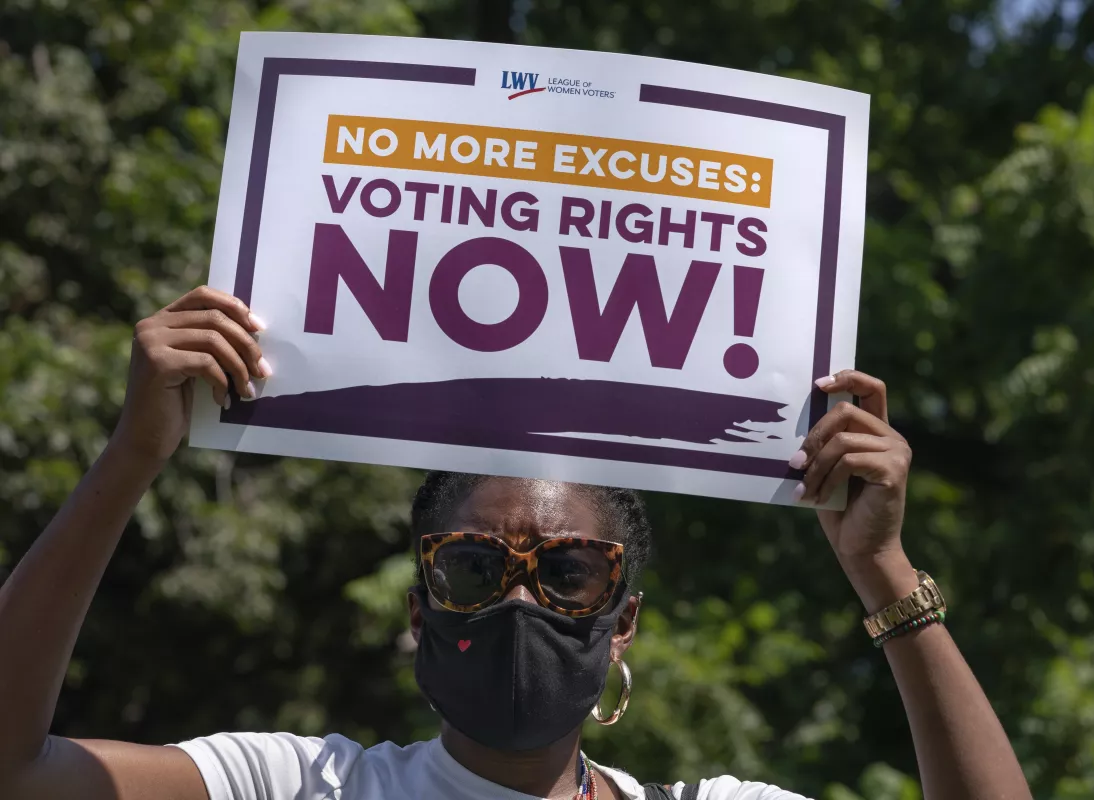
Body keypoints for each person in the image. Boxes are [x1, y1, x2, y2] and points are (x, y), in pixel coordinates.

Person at [0, 286, 1033, 800]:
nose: (520, 599)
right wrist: (130, 458)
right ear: (418, 610)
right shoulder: (302, 782)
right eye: (474, 566)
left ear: (624, 617)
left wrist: (882, 568)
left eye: (571, 570)